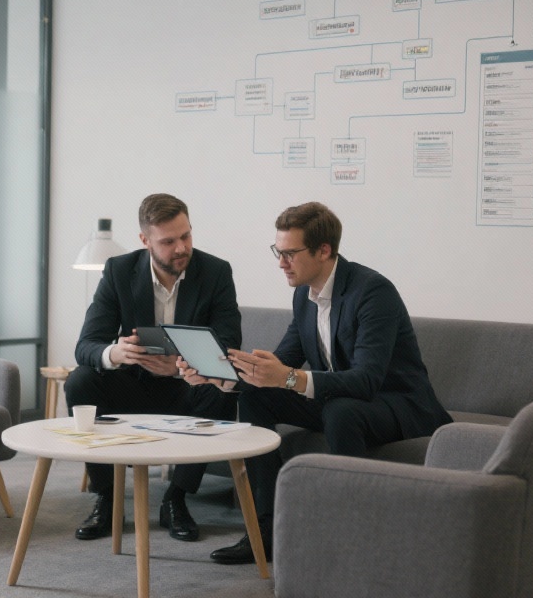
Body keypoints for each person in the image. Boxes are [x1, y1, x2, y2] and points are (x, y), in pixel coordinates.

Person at [181, 201, 451, 564]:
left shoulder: (372, 292)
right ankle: (266, 529)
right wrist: (220, 378)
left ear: (324, 250)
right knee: (257, 400)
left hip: (400, 403)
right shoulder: (303, 295)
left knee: (341, 411)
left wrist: (288, 378)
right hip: (340, 399)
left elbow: (367, 380)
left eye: (290, 254)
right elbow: (280, 365)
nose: (281, 263)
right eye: (278, 252)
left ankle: (352, 536)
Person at [65, 193, 241, 543]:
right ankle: (107, 498)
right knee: (80, 381)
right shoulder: (118, 271)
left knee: (223, 392)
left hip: (186, 387)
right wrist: (117, 353)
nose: (182, 248)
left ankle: (176, 498)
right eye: (168, 241)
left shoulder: (216, 272)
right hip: (132, 385)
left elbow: (228, 346)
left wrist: (178, 368)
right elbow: (86, 346)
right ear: (145, 240)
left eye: (186, 235)